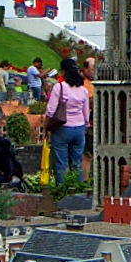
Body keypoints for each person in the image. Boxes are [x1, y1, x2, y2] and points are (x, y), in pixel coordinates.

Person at [45, 57, 90, 185]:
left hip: (62, 128)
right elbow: (86, 114)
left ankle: (62, 193)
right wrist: (85, 126)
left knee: (61, 165)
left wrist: (46, 126)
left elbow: (50, 110)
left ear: (63, 72)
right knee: (77, 164)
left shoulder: (59, 87)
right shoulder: (83, 90)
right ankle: (77, 192)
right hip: (79, 129)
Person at [81, 56, 96, 181]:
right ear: (85, 69)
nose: (95, 72)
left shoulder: (94, 83)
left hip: (96, 124)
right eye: (92, 69)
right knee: (86, 155)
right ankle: (85, 180)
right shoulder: (82, 83)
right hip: (87, 125)